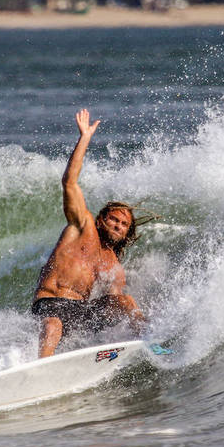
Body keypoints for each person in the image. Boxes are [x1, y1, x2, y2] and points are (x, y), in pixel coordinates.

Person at [31, 108, 146, 357]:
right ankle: (42, 368)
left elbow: (112, 299)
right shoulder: (81, 226)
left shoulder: (112, 263)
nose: (118, 225)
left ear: (127, 233)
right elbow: (69, 182)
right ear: (101, 220)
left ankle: (146, 343)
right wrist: (85, 137)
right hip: (50, 304)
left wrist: (120, 308)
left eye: (124, 225)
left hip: (81, 312)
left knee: (127, 303)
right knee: (52, 325)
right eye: (113, 219)